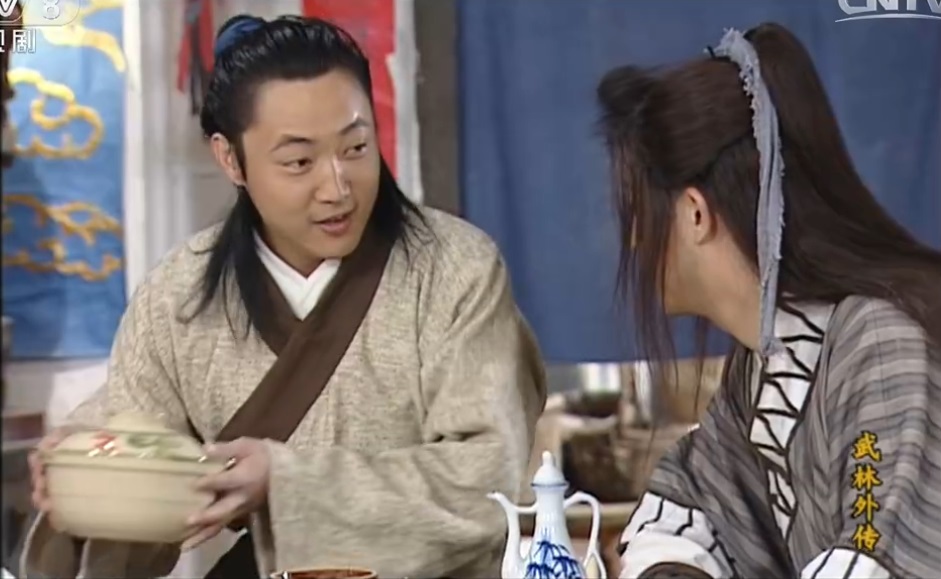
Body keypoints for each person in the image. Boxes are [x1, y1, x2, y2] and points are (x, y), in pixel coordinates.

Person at [23, 14, 547, 579]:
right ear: (230, 159)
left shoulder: (454, 271)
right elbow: (132, 438)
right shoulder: (179, 297)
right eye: (299, 162)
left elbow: (491, 478)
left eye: (356, 147)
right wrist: (78, 479)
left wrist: (288, 483)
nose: (337, 187)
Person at [597, 22, 941, 579]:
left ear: (694, 213)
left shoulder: (880, 345)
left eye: (638, 215)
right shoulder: (761, 364)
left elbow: (881, 548)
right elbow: (691, 505)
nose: (634, 242)